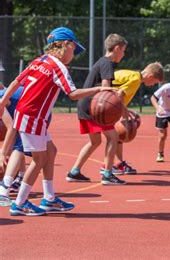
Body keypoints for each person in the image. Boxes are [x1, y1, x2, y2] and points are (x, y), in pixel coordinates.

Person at [0, 27, 113, 216]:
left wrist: (3, 103)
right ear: (65, 45)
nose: (74, 55)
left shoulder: (39, 61)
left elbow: (15, 83)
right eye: (74, 49)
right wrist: (100, 89)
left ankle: (49, 199)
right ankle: (19, 203)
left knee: (51, 151)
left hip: (30, 114)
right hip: (33, 116)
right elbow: (73, 94)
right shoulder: (57, 66)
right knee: (39, 159)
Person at [66, 34, 127, 185]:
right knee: (113, 137)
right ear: (117, 48)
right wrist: (118, 94)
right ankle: (107, 174)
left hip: (85, 105)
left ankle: (74, 172)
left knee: (95, 141)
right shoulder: (107, 63)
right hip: (94, 107)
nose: (124, 54)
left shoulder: (102, 61)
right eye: (123, 51)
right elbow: (105, 89)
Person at [99, 62, 164, 175]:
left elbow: (117, 92)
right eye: (154, 82)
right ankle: (107, 166)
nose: (153, 85)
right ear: (150, 76)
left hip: (102, 102)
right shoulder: (135, 80)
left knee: (116, 136)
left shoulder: (131, 74)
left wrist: (125, 110)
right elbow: (119, 95)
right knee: (113, 136)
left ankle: (117, 164)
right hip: (105, 105)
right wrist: (124, 112)